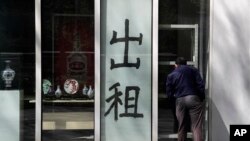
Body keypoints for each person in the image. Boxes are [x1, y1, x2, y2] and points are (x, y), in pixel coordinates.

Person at [166, 57, 205, 141]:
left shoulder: (171, 74)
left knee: (181, 126)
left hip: (180, 100)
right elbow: (200, 85)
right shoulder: (193, 70)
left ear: (175, 65)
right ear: (186, 64)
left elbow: (169, 92)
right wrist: (201, 98)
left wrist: (173, 104)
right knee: (196, 127)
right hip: (193, 98)